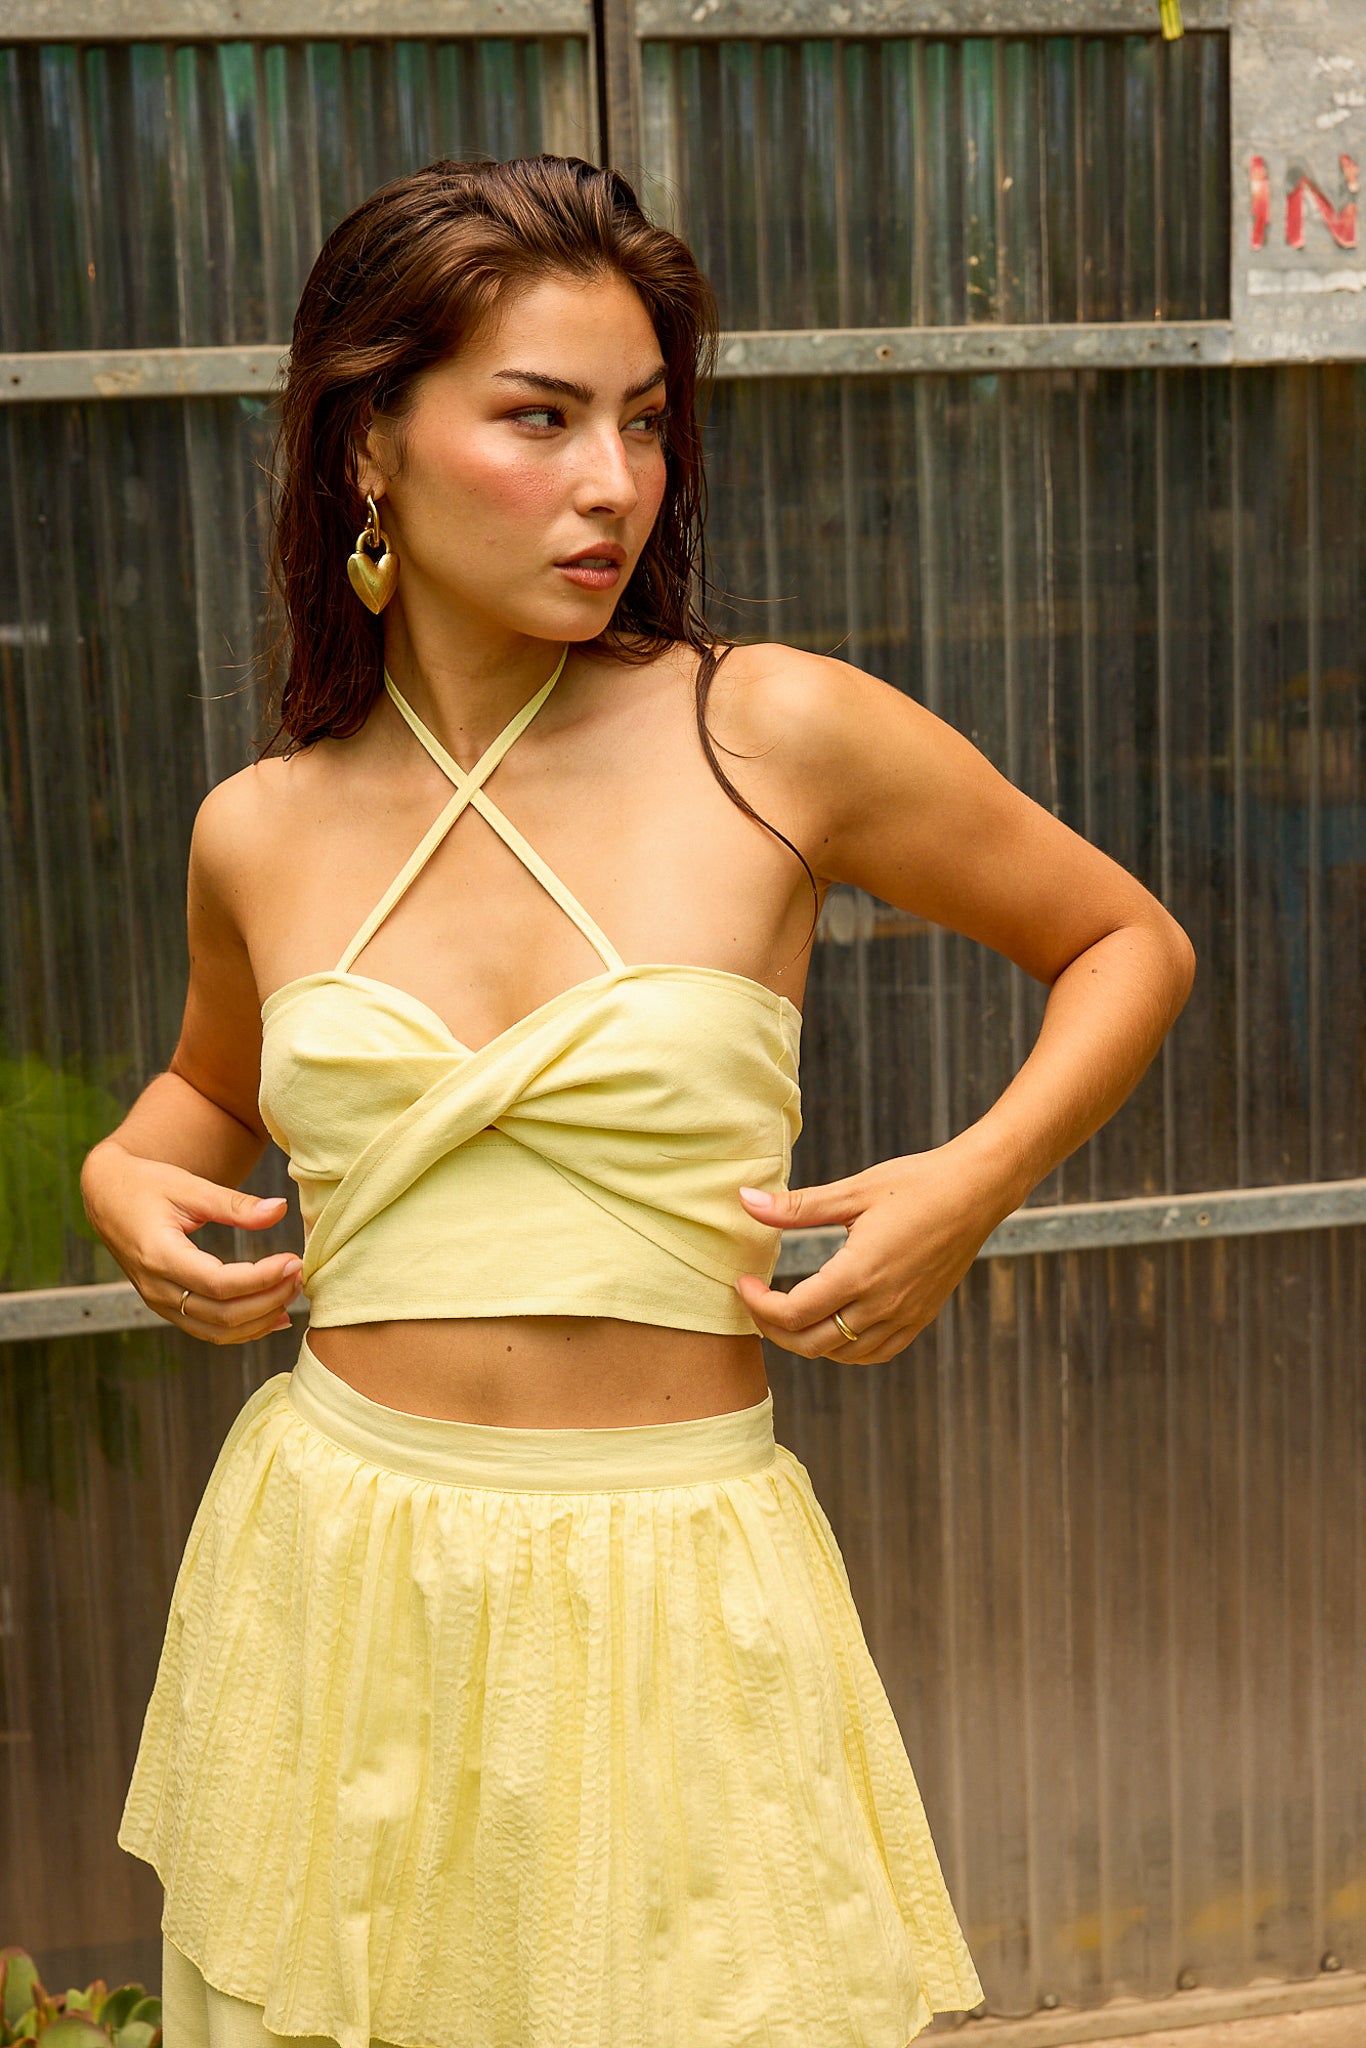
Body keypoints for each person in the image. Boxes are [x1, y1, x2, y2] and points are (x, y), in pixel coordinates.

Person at [82, 154, 1195, 2048]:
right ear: (369, 443)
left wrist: (971, 1181)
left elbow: (1123, 941)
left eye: (645, 423)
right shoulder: (258, 824)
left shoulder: (767, 730)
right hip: (336, 1566)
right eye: (540, 418)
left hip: (673, 1572)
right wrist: (123, 1176)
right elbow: (205, 1090)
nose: (613, 482)